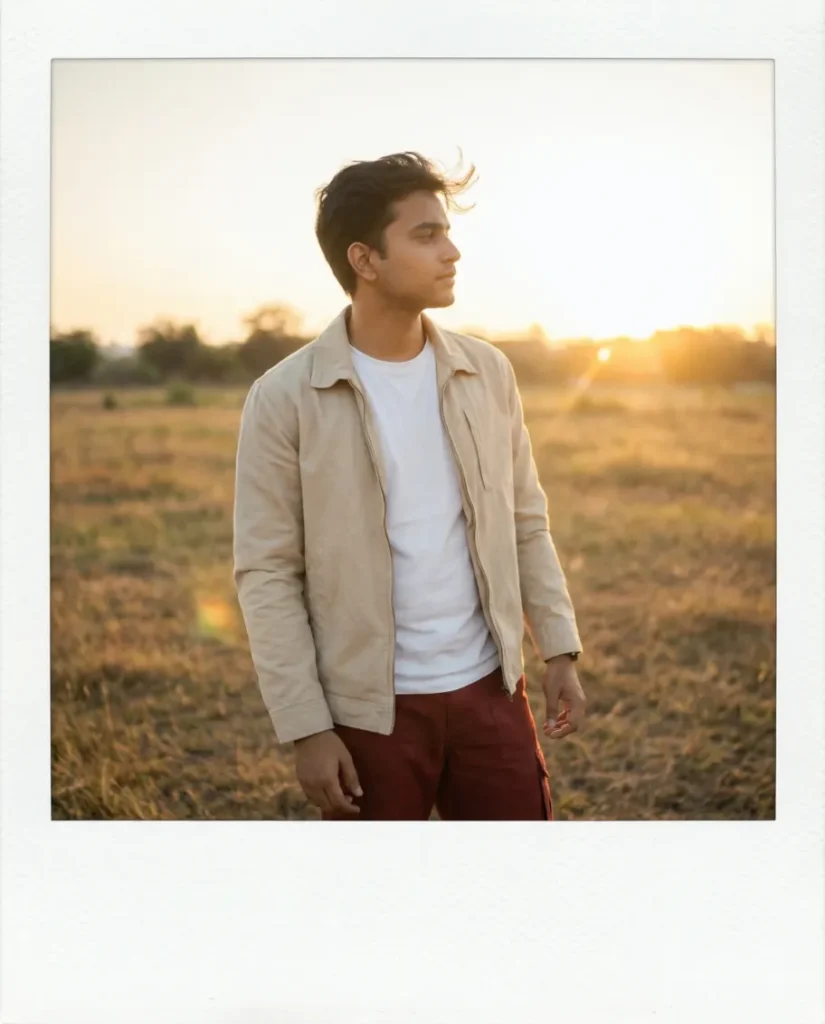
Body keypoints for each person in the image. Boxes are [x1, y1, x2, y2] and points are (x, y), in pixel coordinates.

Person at [233, 151, 586, 821]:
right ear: (364, 260)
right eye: (425, 235)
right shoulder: (283, 397)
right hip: (368, 713)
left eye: (447, 232)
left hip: (491, 692)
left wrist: (558, 648)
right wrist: (307, 727)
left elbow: (524, 520)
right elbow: (266, 572)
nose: (451, 252)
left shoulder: (486, 371)